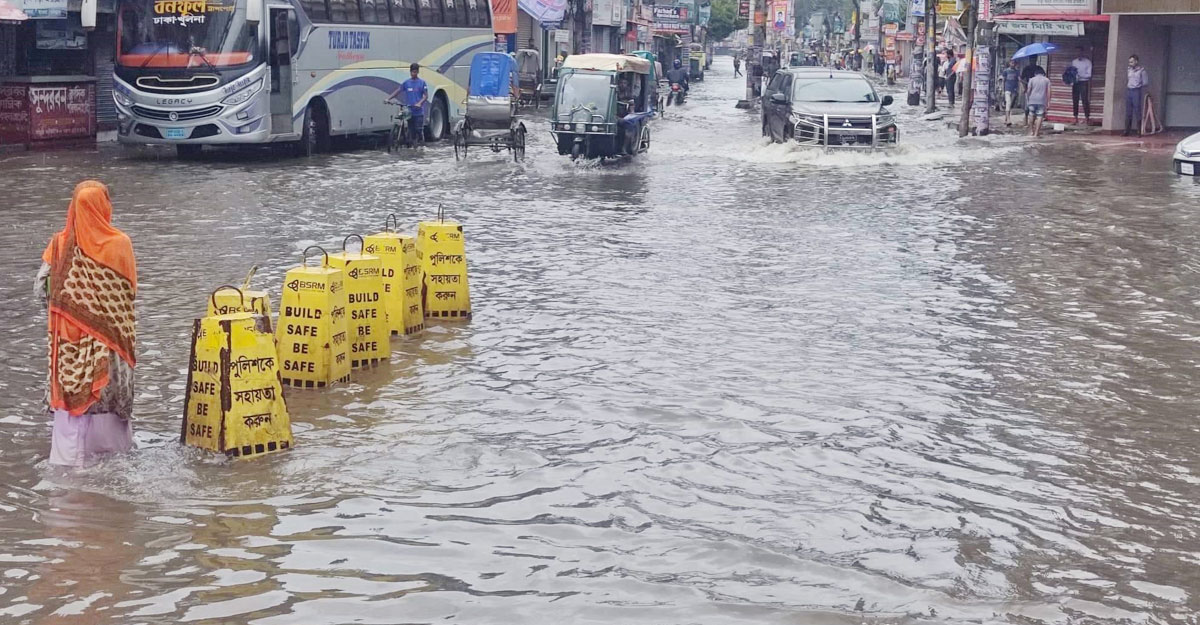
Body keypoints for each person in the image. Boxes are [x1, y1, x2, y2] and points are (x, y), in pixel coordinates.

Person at [38, 181, 137, 468]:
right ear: (104, 206)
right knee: (107, 402)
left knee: (72, 405)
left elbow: (40, 289)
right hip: (111, 341)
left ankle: (70, 462)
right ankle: (112, 456)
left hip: (68, 343)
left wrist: (68, 314)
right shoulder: (120, 244)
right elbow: (128, 294)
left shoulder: (60, 244)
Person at [388, 63, 428, 144]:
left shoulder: (422, 83)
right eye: (412, 72)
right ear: (410, 72)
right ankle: (413, 148)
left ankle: (422, 144)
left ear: (418, 72)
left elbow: (426, 96)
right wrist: (388, 99)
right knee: (411, 131)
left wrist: (419, 103)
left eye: (415, 72)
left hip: (418, 112)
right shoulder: (406, 83)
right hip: (409, 111)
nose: (414, 73)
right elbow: (398, 91)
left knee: (418, 130)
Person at [1125, 54, 1149, 136]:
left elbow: (1145, 82)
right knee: (1128, 111)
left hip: (1136, 91)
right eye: (1129, 62)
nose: (1130, 63)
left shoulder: (1142, 71)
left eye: (1132, 62)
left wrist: (1138, 86)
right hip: (1129, 90)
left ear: (1136, 61)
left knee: (1137, 111)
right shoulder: (1129, 70)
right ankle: (1127, 131)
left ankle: (1139, 131)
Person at [1026, 67, 1051, 138]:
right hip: (1042, 101)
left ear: (1035, 74)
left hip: (1032, 100)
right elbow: (1049, 92)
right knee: (1040, 116)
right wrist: (1048, 102)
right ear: (1043, 73)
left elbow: (1028, 90)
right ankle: (1036, 133)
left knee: (1031, 115)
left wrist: (1028, 99)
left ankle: (1031, 131)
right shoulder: (1047, 80)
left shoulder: (1032, 79)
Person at [1070, 47, 1093, 125]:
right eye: (1077, 52)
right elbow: (1071, 72)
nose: (1079, 54)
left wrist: (1080, 75)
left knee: (1085, 100)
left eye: (1080, 52)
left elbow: (1089, 75)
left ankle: (1087, 118)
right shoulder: (1074, 62)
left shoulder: (1088, 62)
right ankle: (1075, 117)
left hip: (1084, 82)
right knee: (1075, 100)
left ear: (1083, 53)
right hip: (1076, 82)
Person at [1001, 59, 1020, 126]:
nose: (1013, 64)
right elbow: (1003, 81)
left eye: (1014, 63)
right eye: (1012, 63)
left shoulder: (1017, 71)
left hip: (1014, 90)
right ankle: (1008, 119)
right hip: (1007, 89)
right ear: (1009, 63)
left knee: (1010, 105)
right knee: (1008, 103)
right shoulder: (1006, 71)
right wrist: (1003, 90)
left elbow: (1018, 80)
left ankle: (1006, 119)